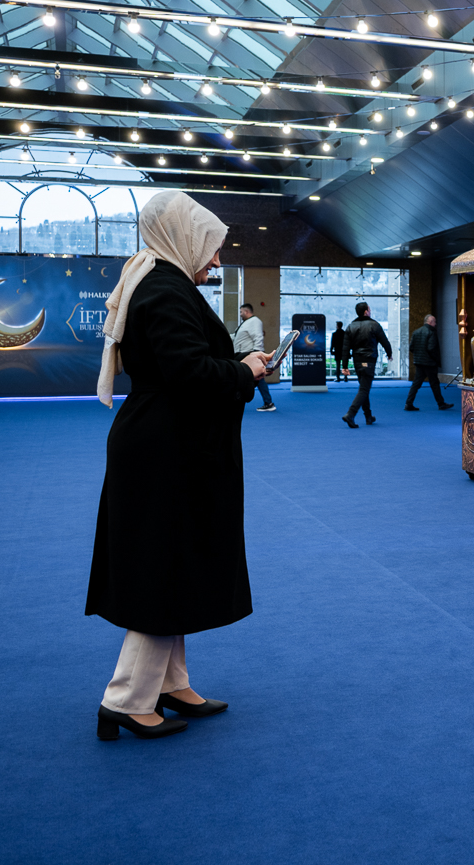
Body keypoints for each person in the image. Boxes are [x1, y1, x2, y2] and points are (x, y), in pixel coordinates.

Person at [87, 190, 271, 740]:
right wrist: (245, 372)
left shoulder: (159, 281)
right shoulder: (166, 289)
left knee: (175, 563)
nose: (216, 259)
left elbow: (182, 364)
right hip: (167, 450)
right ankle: (125, 699)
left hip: (166, 445)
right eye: (210, 246)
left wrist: (236, 365)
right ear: (184, 239)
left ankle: (169, 684)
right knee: (163, 569)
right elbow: (188, 374)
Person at [341, 301, 392, 429]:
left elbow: (345, 348)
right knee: (364, 389)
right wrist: (389, 354)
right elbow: (385, 341)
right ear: (366, 312)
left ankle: (368, 416)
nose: (370, 311)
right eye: (369, 309)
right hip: (369, 361)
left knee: (364, 388)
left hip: (357, 361)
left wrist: (345, 366)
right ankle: (350, 414)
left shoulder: (350, 326)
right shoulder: (374, 325)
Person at [404, 314, 453, 411]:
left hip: (419, 362)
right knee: (434, 384)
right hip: (430, 363)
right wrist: (436, 359)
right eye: (435, 322)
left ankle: (408, 403)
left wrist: (419, 355)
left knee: (416, 384)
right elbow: (431, 349)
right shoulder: (431, 332)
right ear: (431, 322)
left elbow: (411, 347)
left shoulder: (416, 332)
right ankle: (441, 404)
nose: (436, 324)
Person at [232, 303, 275, 412]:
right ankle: (268, 402)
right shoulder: (246, 323)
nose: (240, 314)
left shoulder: (255, 321)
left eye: (241, 312)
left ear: (246, 312)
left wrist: (257, 354)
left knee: (259, 378)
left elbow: (258, 337)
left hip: (250, 354)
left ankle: (268, 402)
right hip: (243, 354)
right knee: (258, 379)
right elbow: (236, 337)